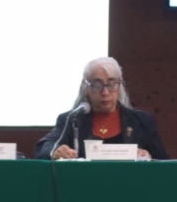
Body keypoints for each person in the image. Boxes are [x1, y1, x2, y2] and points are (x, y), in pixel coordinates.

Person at [34, 57, 169, 160]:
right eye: (97, 85)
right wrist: (55, 150)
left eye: (111, 84)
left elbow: (164, 163)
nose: (105, 92)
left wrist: (147, 157)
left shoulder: (142, 121)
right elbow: (43, 147)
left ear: (119, 86)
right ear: (85, 87)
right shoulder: (72, 119)